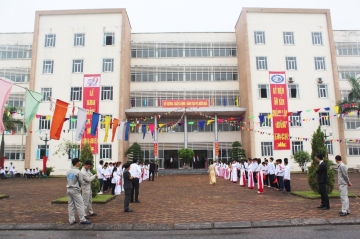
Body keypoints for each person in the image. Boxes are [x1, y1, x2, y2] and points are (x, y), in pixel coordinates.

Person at [66, 158, 91, 225]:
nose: (79, 163)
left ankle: (71, 220)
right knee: (80, 204)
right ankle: (82, 219)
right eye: (79, 162)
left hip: (68, 188)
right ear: (76, 163)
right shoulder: (78, 171)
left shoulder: (68, 171)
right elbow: (81, 181)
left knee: (70, 205)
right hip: (75, 189)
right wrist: (80, 187)